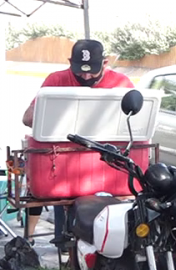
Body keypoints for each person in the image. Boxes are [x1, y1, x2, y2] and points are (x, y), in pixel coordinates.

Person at [21, 39, 134, 245]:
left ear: (105, 63)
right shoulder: (56, 80)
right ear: (69, 62)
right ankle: (31, 241)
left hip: (104, 164)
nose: (86, 76)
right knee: (43, 192)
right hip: (63, 160)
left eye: (92, 71)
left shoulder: (121, 83)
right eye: (80, 72)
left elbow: (135, 124)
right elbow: (27, 118)